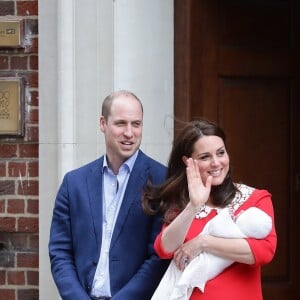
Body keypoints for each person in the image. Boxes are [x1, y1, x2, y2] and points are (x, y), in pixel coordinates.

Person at [49, 90, 169, 300]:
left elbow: (158, 255)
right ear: (103, 123)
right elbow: (60, 252)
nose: (130, 133)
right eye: (121, 123)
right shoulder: (74, 183)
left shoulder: (162, 180)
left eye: (136, 124)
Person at [142, 119, 277, 300]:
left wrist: (204, 242)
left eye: (220, 153)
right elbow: (164, 248)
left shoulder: (255, 198)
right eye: (205, 157)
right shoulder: (182, 204)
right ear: (188, 162)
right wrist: (194, 206)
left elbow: (264, 251)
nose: (216, 163)